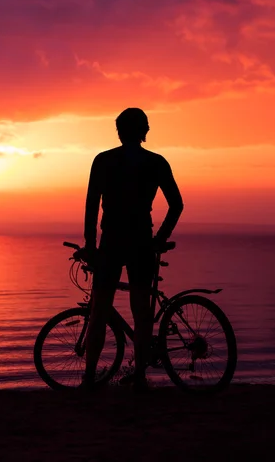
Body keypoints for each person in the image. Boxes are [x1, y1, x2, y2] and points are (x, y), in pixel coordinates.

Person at [80, 107, 183, 392]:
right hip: (141, 242)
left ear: (119, 131)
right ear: (144, 131)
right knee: (141, 313)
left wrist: (90, 245)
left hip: (110, 243)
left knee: (99, 310)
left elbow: (90, 206)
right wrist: (160, 239)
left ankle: (89, 377)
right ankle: (139, 376)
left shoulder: (103, 161)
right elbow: (177, 205)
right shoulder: (156, 162)